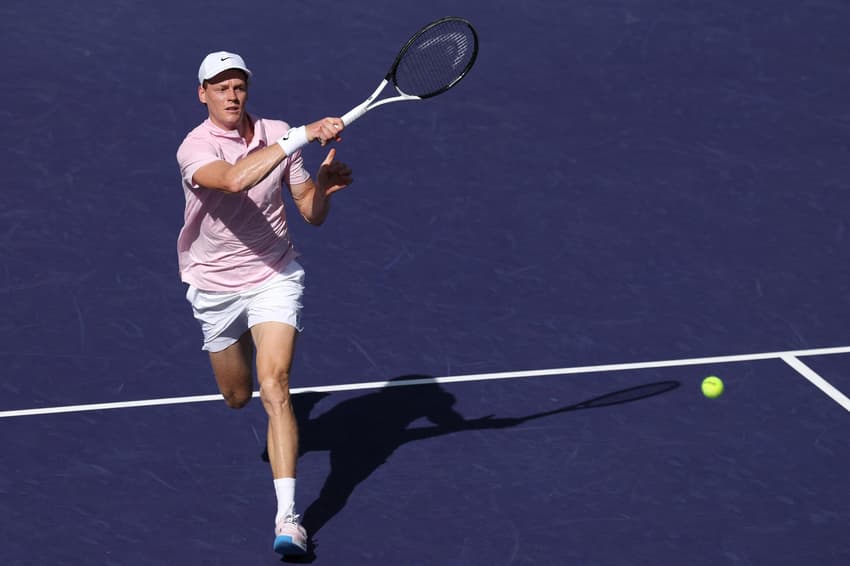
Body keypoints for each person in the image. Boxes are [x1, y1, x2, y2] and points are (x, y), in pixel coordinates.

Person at [175, 51, 353, 556]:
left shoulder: (274, 131)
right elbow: (235, 180)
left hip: (275, 274)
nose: (232, 96)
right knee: (237, 395)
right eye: (221, 87)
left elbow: (310, 214)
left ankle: (288, 520)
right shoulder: (195, 147)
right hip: (214, 285)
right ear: (202, 93)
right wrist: (299, 134)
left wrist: (323, 189)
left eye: (239, 87)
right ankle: (246, 340)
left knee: (274, 385)